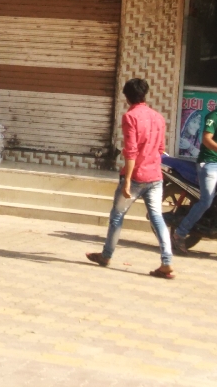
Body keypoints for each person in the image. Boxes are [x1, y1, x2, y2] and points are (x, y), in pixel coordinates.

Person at [87, 78, 175, 279]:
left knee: (117, 216)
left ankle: (106, 255)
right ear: (145, 94)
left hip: (135, 176)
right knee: (157, 217)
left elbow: (131, 150)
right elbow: (161, 148)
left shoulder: (130, 117)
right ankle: (167, 261)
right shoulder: (158, 118)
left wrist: (127, 180)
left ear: (127, 97)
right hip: (155, 176)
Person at [172, 110, 217, 254]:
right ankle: (180, 233)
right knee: (206, 201)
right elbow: (206, 139)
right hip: (210, 163)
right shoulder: (213, 116)